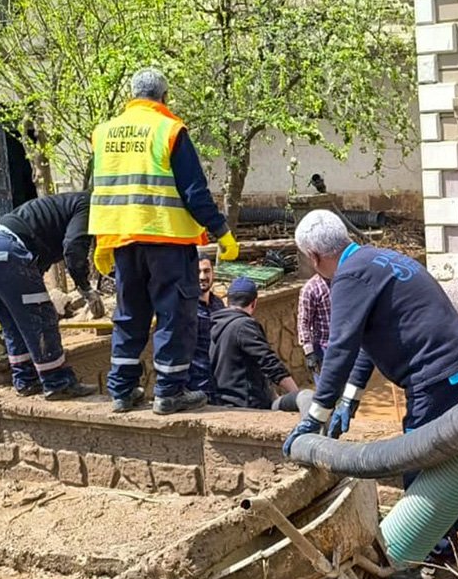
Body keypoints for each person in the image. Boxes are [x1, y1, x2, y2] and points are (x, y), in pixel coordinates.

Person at [282, 210, 458, 579]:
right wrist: (349, 402)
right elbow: (365, 346)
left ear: (313, 256)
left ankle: (428, 555)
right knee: (442, 460)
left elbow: (340, 349)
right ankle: (446, 544)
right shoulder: (375, 259)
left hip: (439, 374)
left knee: (419, 462)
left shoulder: (348, 277)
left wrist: (313, 418)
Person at [88, 67, 239, 415]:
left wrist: (103, 242)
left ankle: (123, 392)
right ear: (164, 97)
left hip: (124, 241)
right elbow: (193, 191)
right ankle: (169, 393)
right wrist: (221, 230)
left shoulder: (104, 133)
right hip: (167, 239)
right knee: (175, 315)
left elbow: (103, 189)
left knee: (129, 315)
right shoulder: (169, 129)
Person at [0, 192, 101, 400]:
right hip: (9, 250)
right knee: (42, 317)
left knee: (14, 323)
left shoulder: (63, 206)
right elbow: (73, 250)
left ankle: (25, 380)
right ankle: (57, 382)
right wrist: (85, 288)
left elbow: (39, 254)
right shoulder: (87, 206)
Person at [210, 278, 300, 409]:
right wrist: (296, 394)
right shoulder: (244, 326)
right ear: (254, 303)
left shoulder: (215, 324)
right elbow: (269, 362)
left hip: (222, 402)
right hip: (247, 403)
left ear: (227, 300)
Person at [187, 248, 226, 403]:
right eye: (198, 272)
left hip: (219, 382)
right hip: (194, 385)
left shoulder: (218, 304)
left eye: (206, 271)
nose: (203, 277)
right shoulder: (185, 308)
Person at [296, 273, 331, 384]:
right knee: (325, 390)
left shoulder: (344, 282)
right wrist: (309, 353)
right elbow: (303, 321)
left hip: (344, 345)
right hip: (323, 349)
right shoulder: (311, 288)